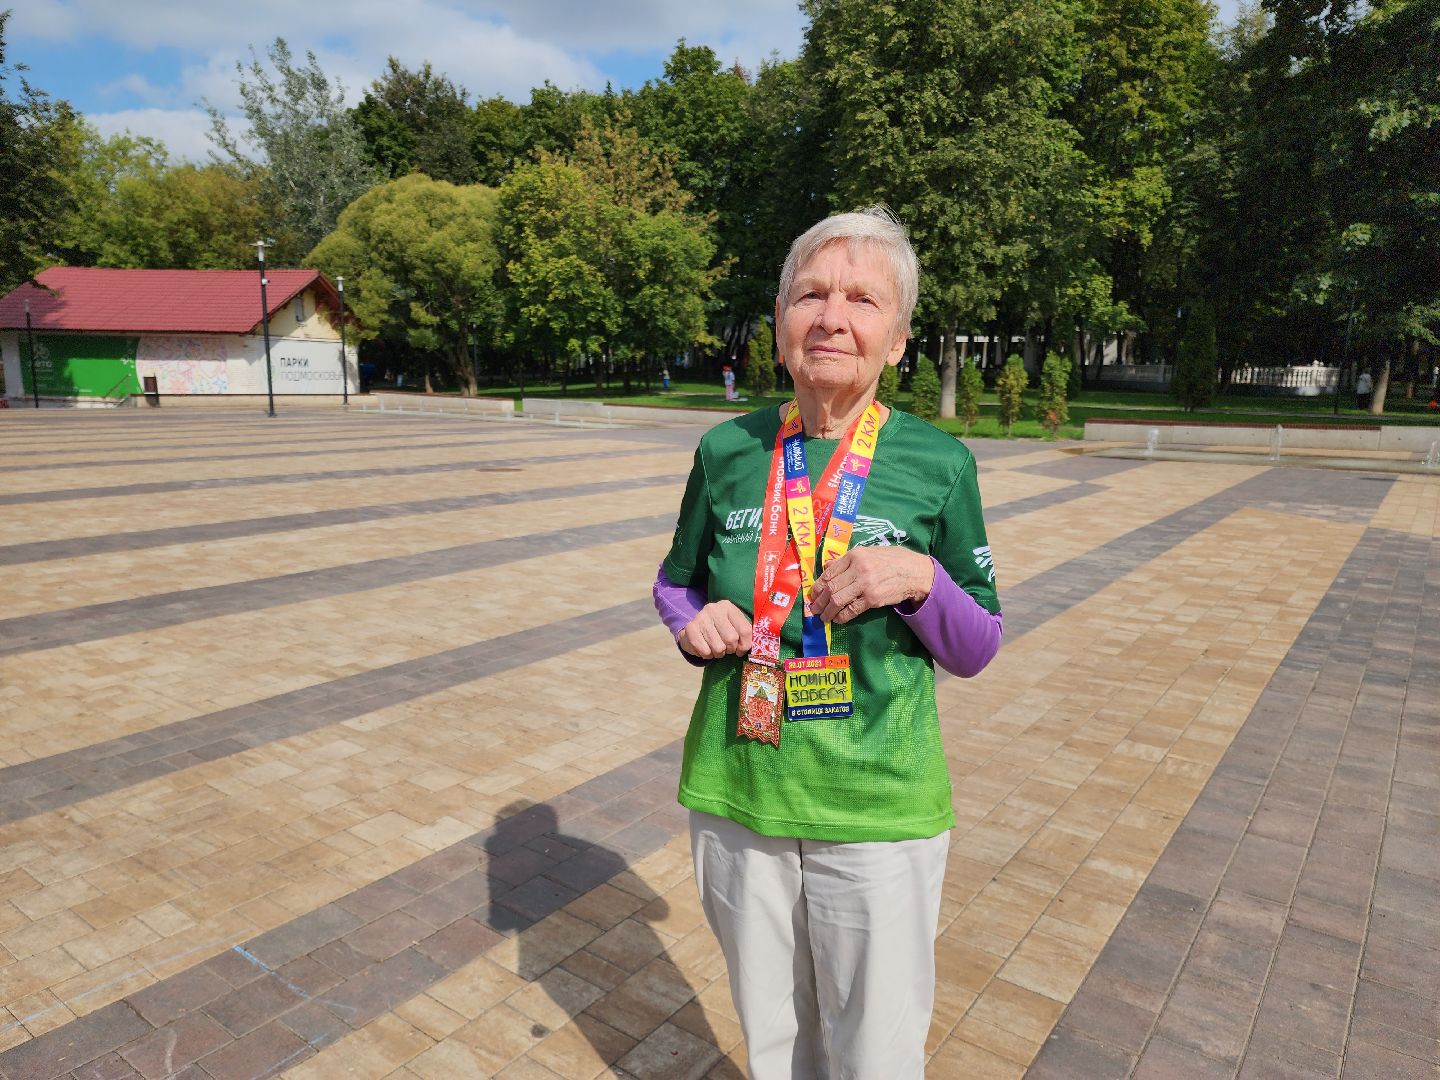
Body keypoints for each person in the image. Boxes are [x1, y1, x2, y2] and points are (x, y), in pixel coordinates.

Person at [652, 207, 1003, 1079]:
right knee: (774, 1044)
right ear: (779, 328)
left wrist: (920, 579)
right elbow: (675, 580)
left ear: (897, 338)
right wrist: (691, 626)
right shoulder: (726, 448)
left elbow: (979, 643)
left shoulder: (939, 462)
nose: (832, 316)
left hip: (876, 803)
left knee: (875, 1053)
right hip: (740, 789)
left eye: (862, 299)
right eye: (810, 294)